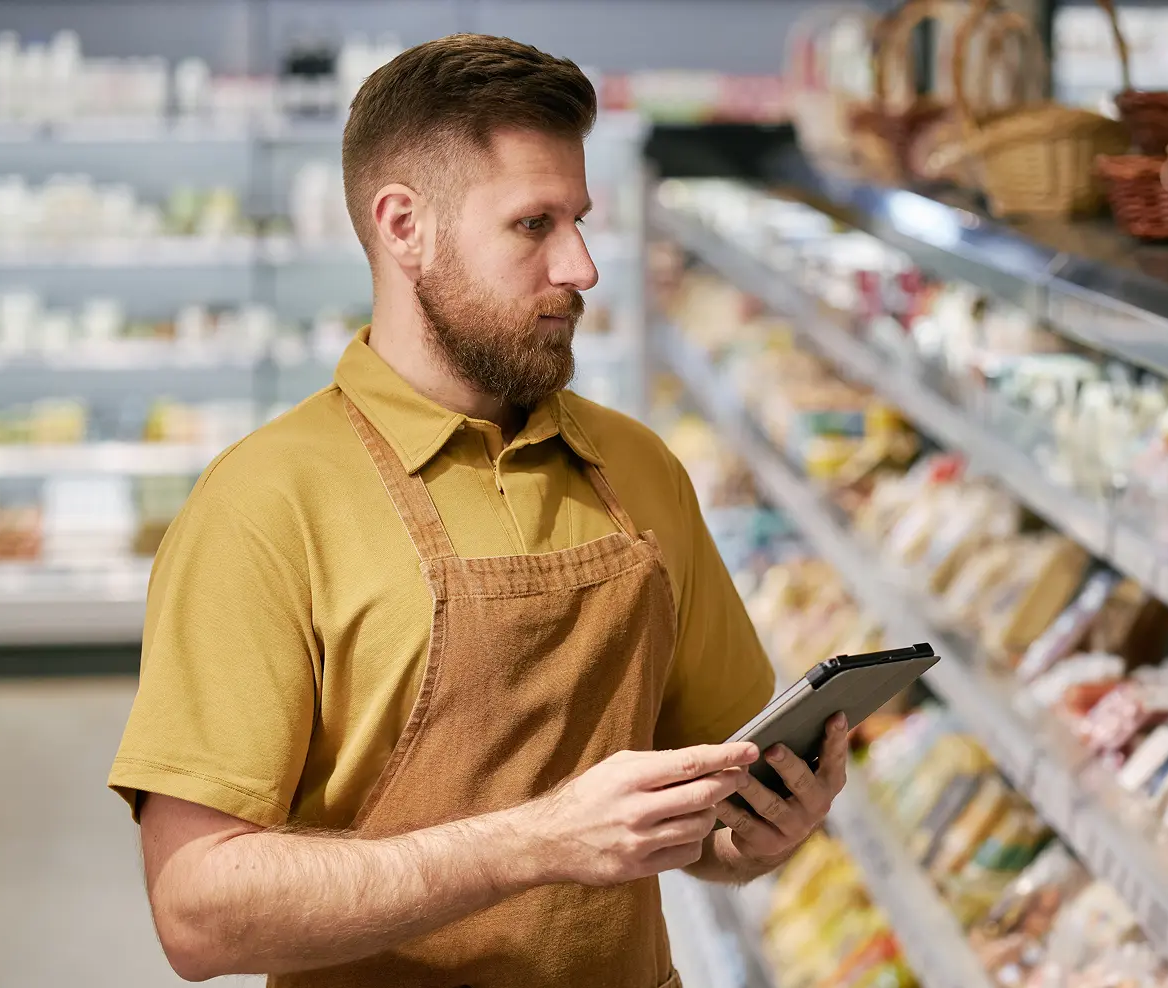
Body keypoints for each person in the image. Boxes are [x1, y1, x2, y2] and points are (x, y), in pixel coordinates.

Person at [107, 32, 849, 988]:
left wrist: (755, 836)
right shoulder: (264, 507)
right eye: (534, 224)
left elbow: (712, 808)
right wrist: (536, 843)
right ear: (403, 226)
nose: (581, 266)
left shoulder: (638, 467)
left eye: (578, 220)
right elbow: (197, 913)